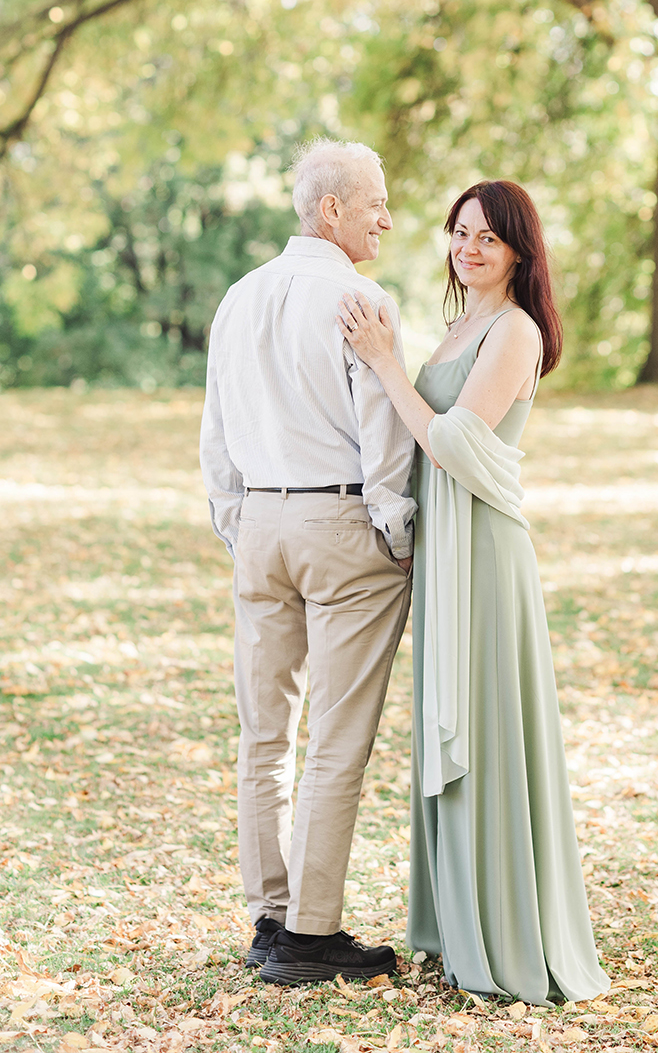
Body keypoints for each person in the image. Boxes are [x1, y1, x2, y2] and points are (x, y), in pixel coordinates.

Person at [337, 179, 609, 1005]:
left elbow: (454, 440)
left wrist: (384, 362)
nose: (470, 249)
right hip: (445, 549)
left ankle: (504, 935)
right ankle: (457, 927)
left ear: (520, 251)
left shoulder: (516, 330)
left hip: (486, 555)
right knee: (448, 728)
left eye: (489, 238)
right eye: (461, 234)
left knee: (488, 731)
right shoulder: (461, 325)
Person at [199, 138, 415, 985]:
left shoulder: (238, 298)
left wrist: (236, 522)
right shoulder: (361, 299)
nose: (387, 218)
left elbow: (215, 428)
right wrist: (394, 536)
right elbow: (385, 437)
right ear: (333, 210)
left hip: (259, 523)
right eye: (375, 204)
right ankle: (312, 936)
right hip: (341, 524)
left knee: (266, 732)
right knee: (335, 739)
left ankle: (269, 918)